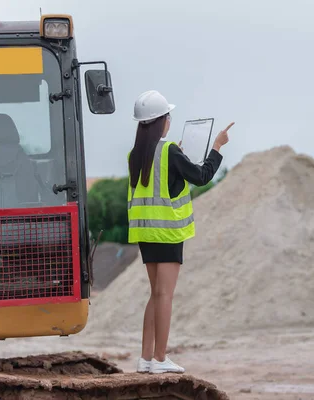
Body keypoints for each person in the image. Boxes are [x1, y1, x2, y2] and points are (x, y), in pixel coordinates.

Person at [127, 90, 234, 374]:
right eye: (168, 116)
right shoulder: (169, 151)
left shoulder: (135, 154)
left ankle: (146, 358)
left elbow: (162, 181)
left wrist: (180, 157)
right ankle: (160, 359)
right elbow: (201, 176)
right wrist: (217, 147)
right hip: (167, 232)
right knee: (164, 296)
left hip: (145, 233)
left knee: (155, 294)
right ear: (162, 121)